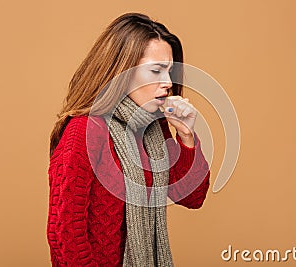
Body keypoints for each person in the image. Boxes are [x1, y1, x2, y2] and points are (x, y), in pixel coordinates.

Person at [47, 12, 210, 267]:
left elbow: (191, 197)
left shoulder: (154, 127)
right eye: (156, 70)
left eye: (170, 71)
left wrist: (186, 135)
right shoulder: (85, 131)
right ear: (121, 71)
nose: (168, 82)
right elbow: (64, 233)